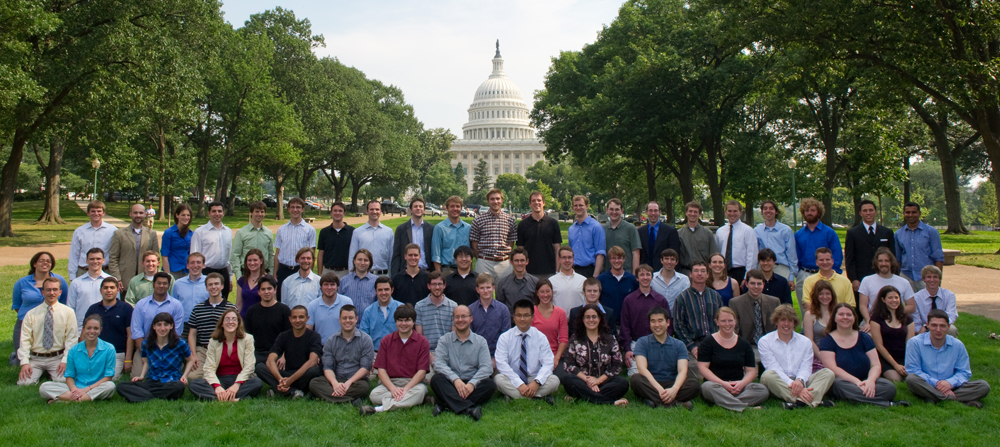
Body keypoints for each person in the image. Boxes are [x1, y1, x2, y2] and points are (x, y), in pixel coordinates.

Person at [818, 303, 906, 407]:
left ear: (854, 318)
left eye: (849, 315)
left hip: (865, 379)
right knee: (838, 386)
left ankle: (857, 397)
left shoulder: (864, 338)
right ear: (834, 318)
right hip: (843, 382)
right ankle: (886, 404)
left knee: (889, 387)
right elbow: (833, 368)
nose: (845, 317)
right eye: (841, 314)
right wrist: (856, 382)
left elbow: (876, 365)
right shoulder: (827, 340)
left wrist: (871, 381)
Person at [905, 309, 991, 408]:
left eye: (942, 326)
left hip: (953, 386)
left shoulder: (957, 345)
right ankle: (960, 400)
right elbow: (913, 370)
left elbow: (964, 372)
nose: (938, 329)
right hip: (927, 384)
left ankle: (934, 398)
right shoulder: (914, 343)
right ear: (927, 325)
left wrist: (949, 383)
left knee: (983, 386)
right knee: (911, 379)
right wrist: (937, 383)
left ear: (948, 327)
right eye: (934, 325)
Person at [758, 304, 836, 409]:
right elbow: (773, 367)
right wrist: (793, 384)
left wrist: (799, 380)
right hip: (779, 381)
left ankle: (799, 403)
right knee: (767, 375)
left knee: (828, 373)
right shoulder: (765, 341)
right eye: (782, 320)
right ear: (776, 322)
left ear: (794, 323)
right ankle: (812, 400)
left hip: (801, 380)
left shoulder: (805, 341)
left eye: (790, 320)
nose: (786, 324)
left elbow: (806, 366)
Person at [360, 304, 432, 415]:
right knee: (374, 395)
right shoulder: (386, 341)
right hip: (390, 383)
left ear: (413, 322)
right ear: (396, 322)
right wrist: (393, 389)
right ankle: (415, 401)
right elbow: (381, 370)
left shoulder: (422, 342)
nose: (403, 324)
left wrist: (406, 389)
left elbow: (421, 372)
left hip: (413, 383)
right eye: (400, 320)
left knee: (420, 391)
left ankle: (379, 409)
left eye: (407, 320)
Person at [430, 305, 497, 421]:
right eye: (457, 317)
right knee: (436, 379)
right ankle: (469, 409)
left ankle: (446, 405)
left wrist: (472, 384)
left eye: (463, 316)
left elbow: (487, 367)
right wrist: (455, 380)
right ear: (453, 319)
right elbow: (439, 364)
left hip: (472, 384)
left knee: (490, 385)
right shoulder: (444, 340)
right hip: (451, 383)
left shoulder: (480, 341)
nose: (460, 320)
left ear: (471, 319)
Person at [697, 307, 769, 412]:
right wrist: (723, 384)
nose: (727, 324)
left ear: (735, 321)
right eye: (723, 321)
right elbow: (702, 368)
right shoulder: (708, 342)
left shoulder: (744, 344)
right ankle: (745, 408)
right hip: (716, 386)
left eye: (730, 320)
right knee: (706, 387)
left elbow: (751, 371)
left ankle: (727, 403)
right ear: (717, 322)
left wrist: (742, 384)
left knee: (762, 390)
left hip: (738, 387)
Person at [629, 307, 700, 409]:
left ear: (668, 323)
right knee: (635, 379)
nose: (657, 325)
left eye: (660, 321)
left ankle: (654, 401)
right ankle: (675, 403)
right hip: (650, 383)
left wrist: (674, 389)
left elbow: (682, 371)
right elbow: (642, 369)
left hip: (672, 382)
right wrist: (659, 389)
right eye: (653, 321)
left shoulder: (679, 344)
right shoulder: (642, 342)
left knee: (694, 385)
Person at [558, 304, 628, 406]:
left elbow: (617, 365)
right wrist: (588, 380)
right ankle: (610, 402)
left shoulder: (610, 339)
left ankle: (580, 397)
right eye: (587, 317)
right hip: (582, 381)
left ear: (599, 319)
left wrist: (598, 381)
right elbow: (569, 364)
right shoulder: (575, 339)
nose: (591, 320)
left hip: (604, 382)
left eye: (594, 317)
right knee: (568, 380)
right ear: (582, 319)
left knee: (622, 383)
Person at [188, 309, 264, 401]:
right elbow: (209, 368)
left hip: (240, 379)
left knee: (257, 383)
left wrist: (236, 385)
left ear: (238, 323)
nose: (230, 322)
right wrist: (217, 387)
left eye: (234, 319)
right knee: (194, 384)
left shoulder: (248, 339)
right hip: (220, 379)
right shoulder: (213, 341)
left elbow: (249, 366)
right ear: (222, 324)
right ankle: (237, 398)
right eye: (227, 319)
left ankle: (219, 398)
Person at [117, 313, 194, 402]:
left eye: (166, 325)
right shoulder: (147, 344)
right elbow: (146, 362)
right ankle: (156, 397)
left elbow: (190, 360)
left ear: (171, 326)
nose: (162, 328)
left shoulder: (180, 343)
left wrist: (184, 376)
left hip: (171, 382)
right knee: (121, 386)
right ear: (154, 327)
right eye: (159, 325)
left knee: (179, 387)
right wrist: (141, 376)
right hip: (152, 381)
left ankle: (143, 396)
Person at [38, 314, 117, 402]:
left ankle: (66, 400)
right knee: (44, 387)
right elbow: (69, 376)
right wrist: (74, 389)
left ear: (100, 330)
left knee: (110, 386)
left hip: (96, 387)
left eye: (95, 328)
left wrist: (87, 389)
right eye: (88, 328)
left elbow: (108, 377)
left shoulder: (109, 349)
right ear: (83, 329)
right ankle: (81, 399)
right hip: (77, 385)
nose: (92, 331)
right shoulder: (73, 350)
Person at [494, 299, 559, 403]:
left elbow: (548, 363)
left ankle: (515, 396)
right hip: (513, 376)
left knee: (554, 381)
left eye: (526, 315)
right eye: (519, 315)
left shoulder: (540, 337)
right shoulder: (505, 337)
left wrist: (536, 382)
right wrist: (519, 384)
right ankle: (537, 396)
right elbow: (502, 364)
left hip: (534, 377)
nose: (522, 319)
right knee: (498, 379)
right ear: (514, 317)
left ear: (532, 317)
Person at [17, 277, 77, 385]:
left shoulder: (68, 312)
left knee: (64, 381)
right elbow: (24, 340)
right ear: (42, 292)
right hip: (36, 358)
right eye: (48, 290)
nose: (51, 293)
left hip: (57, 357)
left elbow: (71, 339)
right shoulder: (31, 314)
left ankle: (52, 374)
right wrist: (25, 362)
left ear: (60, 292)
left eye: (55, 290)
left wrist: (65, 361)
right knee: (24, 383)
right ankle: (38, 372)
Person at [309, 305, 374, 404]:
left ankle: (327, 396)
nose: (347, 321)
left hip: (356, 381)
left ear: (356, 319)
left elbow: (365, 367)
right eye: (344, 318)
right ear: (339, 319)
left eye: (350, 318)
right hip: (336, 378)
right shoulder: (331, 341)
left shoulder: (366, 340)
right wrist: (335, 384)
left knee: (364, 388)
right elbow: (327, 367)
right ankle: (351, 399)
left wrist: (348, 383)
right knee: (314, 383)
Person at [256, 305, 323, 399]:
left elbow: (312, 361)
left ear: (307, 318)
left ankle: (280, 390)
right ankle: (293, 391)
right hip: (286, 373)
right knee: (260, 367)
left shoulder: (314, 336)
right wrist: (280, 379)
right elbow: (270, 360)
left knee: (314, 370)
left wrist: (290, 380)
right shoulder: (283, 336)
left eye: (301, 317)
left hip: (304, 373)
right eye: (294, 317)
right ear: (290, 319)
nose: (297, 320)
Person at [673, 262, 723, 380]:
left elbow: (722, 321)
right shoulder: (682, 298)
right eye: (696, 271)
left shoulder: (716, 296)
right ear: (690, 274)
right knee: (697, 375)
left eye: (703, 271)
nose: (699, 274)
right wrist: (692, 346)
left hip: (715, 342)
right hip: (693, 343)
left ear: (707, 275)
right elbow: (678, 326)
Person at [619, 264, 670, 376]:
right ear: (637, 278)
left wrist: (665, 344)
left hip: (658, 342)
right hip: (636, 344)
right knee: (635, 376)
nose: (645, 277)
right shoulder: (629, 300)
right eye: (642, 275)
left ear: (652, 277)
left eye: (648, 275)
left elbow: (668, 325)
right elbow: (625, 326)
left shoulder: (660, 300)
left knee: (660, 374)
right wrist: (627, 349)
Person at [184, 273, 238, 380]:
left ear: (222, 286)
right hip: (203, 349)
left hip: (224, 348)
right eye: (210, 285)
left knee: (230, 374)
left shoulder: (231, 308)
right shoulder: (197, 309)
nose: (213, 287)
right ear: (206, 287)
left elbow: (237, 333)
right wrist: (193, 355)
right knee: (193, 376)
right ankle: (212, 376)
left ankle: (214, 376)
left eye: (216, 284)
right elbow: (192, 334)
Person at [129, 272, 185, 374]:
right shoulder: (141, 305)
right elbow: (137, 331)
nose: (161, 286)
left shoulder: (177, 305)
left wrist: (167, 352)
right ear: (153, 284)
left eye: (165, 283)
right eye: (158, 283)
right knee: (138, 376)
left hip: (169, 348)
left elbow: (177, 332)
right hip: (146, 346)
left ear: (169, 285)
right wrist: (145, 353)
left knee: (170, 376)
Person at [795, 198, 843, 310]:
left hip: (824, 274)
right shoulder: (798, 234)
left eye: (812, 210)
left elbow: (836, 255)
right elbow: (796, 256)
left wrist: (832, 273)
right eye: (806, 211)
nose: (809, 213)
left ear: (819, 212)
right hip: (804, 274)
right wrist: (798, 274)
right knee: (806, 310)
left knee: (826, 309)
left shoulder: (829, 233)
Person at [85, 277, 134, 379]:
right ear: (101, 290)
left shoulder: (127, 309)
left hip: (118, 354)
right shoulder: (93, 309)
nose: (108, 290)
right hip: (95, 353)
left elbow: (130, 335)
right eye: (105, 288)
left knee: (111, 377)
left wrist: (128, 359)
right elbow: (84, 333)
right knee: (89, 376)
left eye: (112, 287)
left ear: (117, 290)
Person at [844, 199, 894, 297]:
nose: (868, 213)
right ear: (860, 213)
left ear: (876, 212)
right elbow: (849, 258)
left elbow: (893, 256)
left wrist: (892, 276)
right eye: (865, 211)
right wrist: (853, 279)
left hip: (883, 276)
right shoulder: (852, 233)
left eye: (871, 210)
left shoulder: (887, 232)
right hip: (861, 278)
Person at [728, 270, 780, 362]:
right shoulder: (735, 303)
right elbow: (733, 330)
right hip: (747, 346)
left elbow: (779, 327)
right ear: (746, 284)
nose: (756, 287)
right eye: (752, 283)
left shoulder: (774, 302)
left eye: (759, 284)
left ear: (763, 285)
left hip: (770, 345)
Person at [858, 248, 916, 329]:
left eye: (887, 261)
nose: (883, 263)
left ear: (891, 263)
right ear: (876, 263)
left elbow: (912, 306)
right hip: (873, 320)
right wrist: (869, 321)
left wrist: (893, 311)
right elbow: (862, 306)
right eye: (880, 261)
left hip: (896, 321)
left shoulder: (903, 282)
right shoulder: (867, 280)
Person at [108, 203, 159, 294]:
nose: (138, 215)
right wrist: (117, 278)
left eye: (140, 213)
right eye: (135, 213)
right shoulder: (119, 234)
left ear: (145, 214)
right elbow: (113, 258)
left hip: (146, 281)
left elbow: (156, 257)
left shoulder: (152, 234)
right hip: (124, 280)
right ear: (130, 214)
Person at [274, 198, 317, 301]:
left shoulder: (310, 230)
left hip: (301, 269)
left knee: (301, 298)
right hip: (284, 270)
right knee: (283, 299)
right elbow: (277, 254)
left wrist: (309, 272)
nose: (295, 210)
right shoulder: (281, 229)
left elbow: (312, 254)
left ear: (302, 209)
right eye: (292, 207)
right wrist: (275, 274)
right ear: (288, 209)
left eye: (298, 207)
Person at [895, 201, 944, 292]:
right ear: (904, 214)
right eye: (908, 212)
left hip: (927, 277)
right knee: (908, 305)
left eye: (914, 212)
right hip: (906, 276)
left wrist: (937, 279)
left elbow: (938, 258)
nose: (911, 215)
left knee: (928, 305)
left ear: (919, 213)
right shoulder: (898, 234)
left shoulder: (931, 232)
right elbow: (898, 259)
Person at [469, 188, 517, 280]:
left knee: (505, 293)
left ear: (502, 200)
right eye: (492, 199)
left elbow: (511, 242)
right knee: (483, 292)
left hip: (504, 263)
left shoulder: (510, 220)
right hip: (484, 262)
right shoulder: (478, 220)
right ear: (488, 201)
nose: (495, 201)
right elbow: (474, 243)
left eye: (498, 199)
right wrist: (480, 258)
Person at [868, 286, 914, 382]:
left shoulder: (907, 318)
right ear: (883, 299)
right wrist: (895, 365)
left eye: (896, 297)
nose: (894, 300)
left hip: (904, 357)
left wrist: (908, 363)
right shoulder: (876, 319)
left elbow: (910, 344)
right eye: (890, 298)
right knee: (896, 379)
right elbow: (879, 346)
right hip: (885, 357)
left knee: (910, 377)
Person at [189, 201, 233, 298]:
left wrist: (230, 277)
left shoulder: (228, 232)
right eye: (214, 211)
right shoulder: (200, 232)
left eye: (219, 211)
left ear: (224, 213)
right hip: (206, 273)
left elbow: (229, 257)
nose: (217, 214)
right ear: (208, 213)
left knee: (223, 303)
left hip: (223, 272)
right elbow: (194, 256)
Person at [244, 276, 291, 365]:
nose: (266, 292)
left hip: (278, 353)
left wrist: (284, 356)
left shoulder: (284, 310)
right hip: (257, 353)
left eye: (269, 289)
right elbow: (247, 335)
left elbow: (289, 337)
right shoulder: (252, 311)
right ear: (259, 292)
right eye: (263, 289)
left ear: (275, 290)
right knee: (258, 367)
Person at [516, 191, 562, 277]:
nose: (536, 203)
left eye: (539, 200)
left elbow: (557, 249)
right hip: (528, 271)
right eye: (533, 201)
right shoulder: (523, 225)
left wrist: (557, 270)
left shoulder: (553, 223)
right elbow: (520, 250)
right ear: (530, 204)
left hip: (549, 271)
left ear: (543, 203)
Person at [415, 272, 458, 363]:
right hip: (426, 352)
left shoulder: (453, 306)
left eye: (440, 284)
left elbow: (453, 336)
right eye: (434, 284)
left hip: (447, 353)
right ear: (428, 286)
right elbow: (419, 337)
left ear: (444, 285)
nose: (437, 287)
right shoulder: (419, 306)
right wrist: (430, 357)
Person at [68, 200, 117, 280]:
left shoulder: (112, 230)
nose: (96, 214)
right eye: (93, 211)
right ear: (88, 213)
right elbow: (74, 255)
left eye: (99, 211)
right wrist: (72, 276)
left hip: (105, 271)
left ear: (103, 213)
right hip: (84, 271)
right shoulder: (80, 231)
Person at [753, 200, 798, 285]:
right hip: (763, 268)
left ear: (776, 211)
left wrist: (791, 277)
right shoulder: (756, 230)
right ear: (762, 212)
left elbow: (791, 254)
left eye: (771, 208)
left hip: (780, 268)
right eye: (765, 208)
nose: (768, 211)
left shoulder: (786, 230)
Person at [67, 248, 112, 328]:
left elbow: (115, 305)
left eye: (98, 259)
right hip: (81, 329)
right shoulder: (76, 283)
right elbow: (70, 308)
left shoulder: (111, 281)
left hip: (105, 327)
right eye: (92, 259)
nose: (95, 262)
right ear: (86, 261)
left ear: (103, 260)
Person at [715, 200, 758, 282]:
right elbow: (718, 252)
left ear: (740, 213)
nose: (732, 214)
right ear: (725, 212)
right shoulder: (720, 231)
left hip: (741, 271)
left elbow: (752, 255)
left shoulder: (748, 231)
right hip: (723, 271)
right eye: (729, 211)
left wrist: (747, 276)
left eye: (735, 211)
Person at [231, 201, 274, 281]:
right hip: (247, 272)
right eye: (257, 211)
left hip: (264, 272)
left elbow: (271, 254)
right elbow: (235, 255)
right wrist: (238, 275)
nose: (259, 214)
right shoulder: (241, 232)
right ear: (251, 213)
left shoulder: (268, 233)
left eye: (262, 212)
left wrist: (271, 273)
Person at [469, 274, 511, 358]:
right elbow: (469, 336)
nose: (485, 291)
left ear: (493, 288)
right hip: (476, 356)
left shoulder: (503, 309)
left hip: (499, 355)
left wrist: (496, 358)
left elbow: (506, 336)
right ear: (477, 290)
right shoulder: (470, 310)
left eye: (488, 287)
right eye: (482, 288)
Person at [596, 246, 639, 327]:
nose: (616, 261)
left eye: (619, 258)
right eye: (613, 258)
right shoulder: (601, 280)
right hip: (606, 324)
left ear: (624, 259)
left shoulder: (632, 280)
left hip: (627, 323)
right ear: (609, 260)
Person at [349, 200, 395, 276]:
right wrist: (352, 275)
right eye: (371, 209)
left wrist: (392, 276)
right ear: (367, 211)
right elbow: (352, 256)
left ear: (380, 211)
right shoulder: (358, 232)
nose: (374, 212)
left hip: (383, 275)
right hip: (363, 275)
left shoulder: (388, 232)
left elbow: (391, 256)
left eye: (377, 209)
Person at [305, 272, 354, 343]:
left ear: (337, 287)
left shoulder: (347, 302)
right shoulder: (312, 305)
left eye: (332, 284)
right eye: (326, 285)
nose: (329, 288)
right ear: (321, 287)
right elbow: (308, 330)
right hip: (321, 346)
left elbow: (352, 326)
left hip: (343, 345)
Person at [390, 197, 434, 276]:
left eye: (420, 206)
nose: (418, 208)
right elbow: (396, 254)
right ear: (410, 210)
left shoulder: (431, 229)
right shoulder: (401, 229)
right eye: (415, 206)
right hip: (406, 273)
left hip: (426, 272)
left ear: (424, 210)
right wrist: (395, 275)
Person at [912, 265, 958, 336]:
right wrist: (925, 327)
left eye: (935, 277)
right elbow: (916, 320)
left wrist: (939, 325)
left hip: (943, 325)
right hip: (925, 327)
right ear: (924, 279)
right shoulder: (916, 298)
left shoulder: (949, 295)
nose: (932, 280)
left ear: (940, 279)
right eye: (929, 277)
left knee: (952, 329)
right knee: (917, 331)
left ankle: (950, 346)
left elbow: (951, 315)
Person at [531, 279, 568, 367]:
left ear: (552, 292)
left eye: (548, 291)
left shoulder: (560, 312)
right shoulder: (531, 312)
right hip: (535, 357)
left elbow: (563, 339)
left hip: (555, 355)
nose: (545, 295)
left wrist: (556, 358)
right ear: (537, 293)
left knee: (565, 378)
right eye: (542, 292)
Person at [432, 195, 472, 275]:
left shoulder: (468, 228)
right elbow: (436, 254)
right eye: (452, 206)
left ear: (461, 208)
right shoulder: (439, 228)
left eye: (458, 206)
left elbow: (471, 252)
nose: (455, 209)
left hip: (465, 270)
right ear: (446, 208)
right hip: (447, 270)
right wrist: (439, 275)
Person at [358, 276, 401, 351]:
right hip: (375, 354)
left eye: (386, 289)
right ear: (375, 291)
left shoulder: (401, 308)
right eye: (380, 290)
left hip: (398, 353)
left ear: (392, 290)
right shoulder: (368, 311)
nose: (383, 293)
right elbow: (363, 337)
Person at [568, 195, 605, 277]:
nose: (578, 207)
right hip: (573, 270)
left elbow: (600, 253)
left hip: (589, 270)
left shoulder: (596, 227)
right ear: (573, 207)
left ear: (587, 206)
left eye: (581, 205)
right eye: (575, 205)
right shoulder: (571, 229)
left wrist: (595, 276)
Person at [677, 201, 718, 275]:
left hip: (703, 273)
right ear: (686, 213)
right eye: (690, 211)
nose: (692, 214)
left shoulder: (708, 233)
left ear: (700, 214)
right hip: (685, 273)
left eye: (695, 212)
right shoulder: (678, 234)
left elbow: (714, 255)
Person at [638, 200, 680, 272]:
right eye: (650, 210)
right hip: (645, 272)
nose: (653, 213)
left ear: (660, 212)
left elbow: (675, 254)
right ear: (646, 212)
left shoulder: (670, 231)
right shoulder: (640, 231)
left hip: (663, 272)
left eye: (655, 210)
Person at [802, 280, 838, 365]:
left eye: (828, 294)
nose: (825, 297)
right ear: (816, 296)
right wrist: (822, 357)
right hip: (818, 355)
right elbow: (809, 340)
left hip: (838, 353)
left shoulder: (838, 313)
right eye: (821, 294)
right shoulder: (809, 315)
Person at [317, 202, 355, 279]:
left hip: (346, 271)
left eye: (340, 211)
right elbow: (321, 253)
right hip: (328, 271)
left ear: (344, 213)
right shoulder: (324, 232)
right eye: (335, 210)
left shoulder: (352, 232)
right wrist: (320, 273)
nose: (337, 213)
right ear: (331, 213)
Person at [603, 198, 641, 273]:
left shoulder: (631, 229)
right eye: (611, 209)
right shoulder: (602, 229)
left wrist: (634, 275)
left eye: (617, 209)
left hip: (626, 274)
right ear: (607, 210)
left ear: (622, 211)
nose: (614, 212)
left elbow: (636, 253)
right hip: (607, 274)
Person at [339, 249, 378, 321]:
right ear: (354, 261)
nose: (362, 263)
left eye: (366, 260)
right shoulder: (343, 281)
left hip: (369, 322)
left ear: (370, 263)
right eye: (359, 260)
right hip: (348, 323)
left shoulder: (376, 282)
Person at [495, 247, 538, 313]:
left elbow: (538, 304)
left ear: (527, 261)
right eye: (516, 260)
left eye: (522, 260)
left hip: (531, 321)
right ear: (511, 262)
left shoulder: (535, 282)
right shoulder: (503, 283)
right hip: (510, 321)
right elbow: (499, 306)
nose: (519, 263)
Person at [650, 248, 689, 315]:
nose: (669, 262)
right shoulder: (652, 278)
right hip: (656, 317)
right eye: (666, 259)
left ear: (677, 262)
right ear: (661, 260)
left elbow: (685, 301)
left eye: (672, 259)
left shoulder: (684, 280)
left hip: (676, 318)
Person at [160, 203, 194, 279]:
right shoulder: (169, 233)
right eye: (183, 215)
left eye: (188, 215)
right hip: (173, 270)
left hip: (187, 270)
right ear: (177, 215)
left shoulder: (192, 234)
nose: (186, 217)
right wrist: (168, 276)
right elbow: (164, 256)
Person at [550, 246, 586, 313]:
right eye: (564, 257)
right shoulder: (551, 281)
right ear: (559, 259)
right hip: (559, 321)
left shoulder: (583, 280)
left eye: (569, 257)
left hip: (578, 320)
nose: (567, 260)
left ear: (573, 259)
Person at [172, 253, 209, 318]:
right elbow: (173, 305)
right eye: (192, 263)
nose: (195, 265)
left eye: (198, 262)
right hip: (184, 322)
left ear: (203, 265)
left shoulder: (210, 282)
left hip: (204, 322)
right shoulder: (178, 284)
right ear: (187, 266)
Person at [235, 248, 266, 317]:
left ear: (261, 261)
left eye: (255, 260)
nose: (252, 263)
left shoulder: (267, 280)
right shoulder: (242, 280)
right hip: (244, 318)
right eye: (249, 260)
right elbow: (239, 304)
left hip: (260, 317)